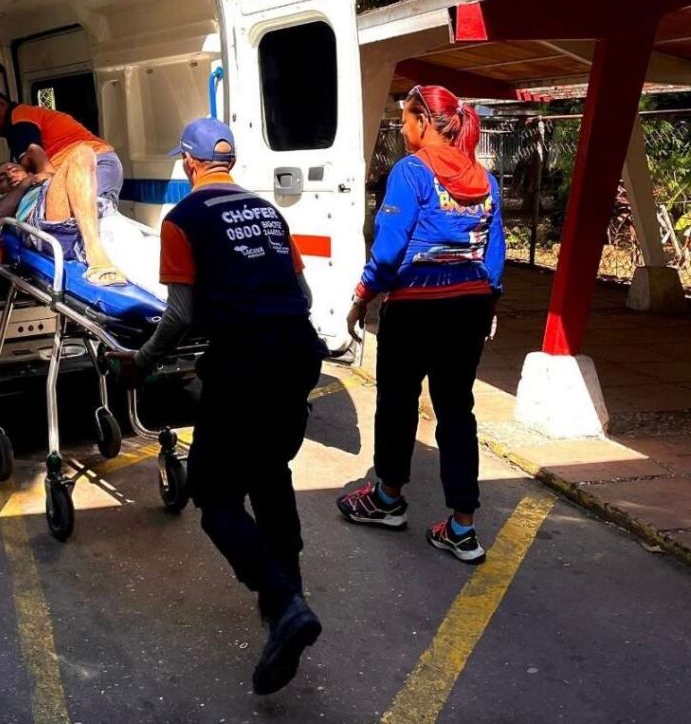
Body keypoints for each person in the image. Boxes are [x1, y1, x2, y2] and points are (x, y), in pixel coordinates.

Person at [111, 118, 327, 695]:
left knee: (215, 498)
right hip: (298, 355)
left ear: (189, 163)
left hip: (244, 365)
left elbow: (180, 314)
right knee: (270, 472)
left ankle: (282, 603)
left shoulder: (183, 219)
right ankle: (288, 603)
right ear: (229, 162)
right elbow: (302, 295)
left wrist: (142, 361)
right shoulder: (268, 213)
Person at [337, 85, 505, 564]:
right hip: (469, 307)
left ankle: (387, 499)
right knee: (456, 412)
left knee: (397, 403)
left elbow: (389, 249)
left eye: (406, 118)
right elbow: (495, 252)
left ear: (426, 121)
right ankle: (462, 527)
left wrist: (362, 295)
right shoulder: (485, 179)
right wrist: (489, 302)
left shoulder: (411, 171)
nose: (401, 126)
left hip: (415, 308)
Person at [0, 122, 125, 284]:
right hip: (43, 221)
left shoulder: (45, 177)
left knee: (85, 153)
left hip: (77, 210)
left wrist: (31, 175)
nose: (10, 175)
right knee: (81, 154)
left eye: (14, 170)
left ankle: (96, 232)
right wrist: (25, 183)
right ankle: (96, 255)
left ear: (28, 171)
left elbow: (34, 149)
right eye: (2, 179)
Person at [0, 88, 124, 211]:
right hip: (88, 162)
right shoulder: (24, 117)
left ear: (2, 104)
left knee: (90, 214)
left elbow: (33, 155)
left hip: (93, 162)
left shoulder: (20, 121)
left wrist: (41, 183)